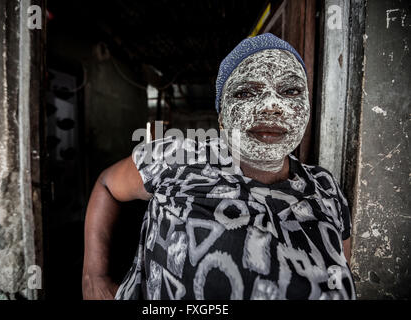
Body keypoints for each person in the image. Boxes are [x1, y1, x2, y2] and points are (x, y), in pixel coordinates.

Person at [82, 33, 356, 300]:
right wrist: (93, 276)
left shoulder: (324, 185)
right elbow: (107, 184)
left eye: (291, 90)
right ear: (222, 115)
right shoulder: (177, 157)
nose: (273, 106)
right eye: (247, 92)